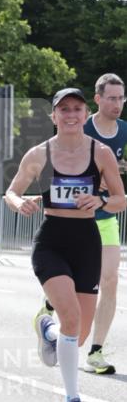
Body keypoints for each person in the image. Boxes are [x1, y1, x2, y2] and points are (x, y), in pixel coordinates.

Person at [5, 88, 125, 402]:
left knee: (79, 334)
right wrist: (20, 203)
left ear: (85, 113)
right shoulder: (39, 153)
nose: (70, 115)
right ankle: (73, 401)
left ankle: (48, 328)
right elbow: (11, 191)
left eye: (76, 108)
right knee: (71, 317)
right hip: (52, 242)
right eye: (63, 109)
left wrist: (101, 202)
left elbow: (120, 199)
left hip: (88, 243)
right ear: (54, 116)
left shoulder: (100, 153)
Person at [82, 73, 127, 374]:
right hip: (76, 216)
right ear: (97, 99)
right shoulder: (81, 126)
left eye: (121, 98)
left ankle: (95, 352)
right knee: (77, 282)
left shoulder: (124, 130)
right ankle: (49, 306)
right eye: (111, 98)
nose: (117, 104)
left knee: (109, 280)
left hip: (107, 214)